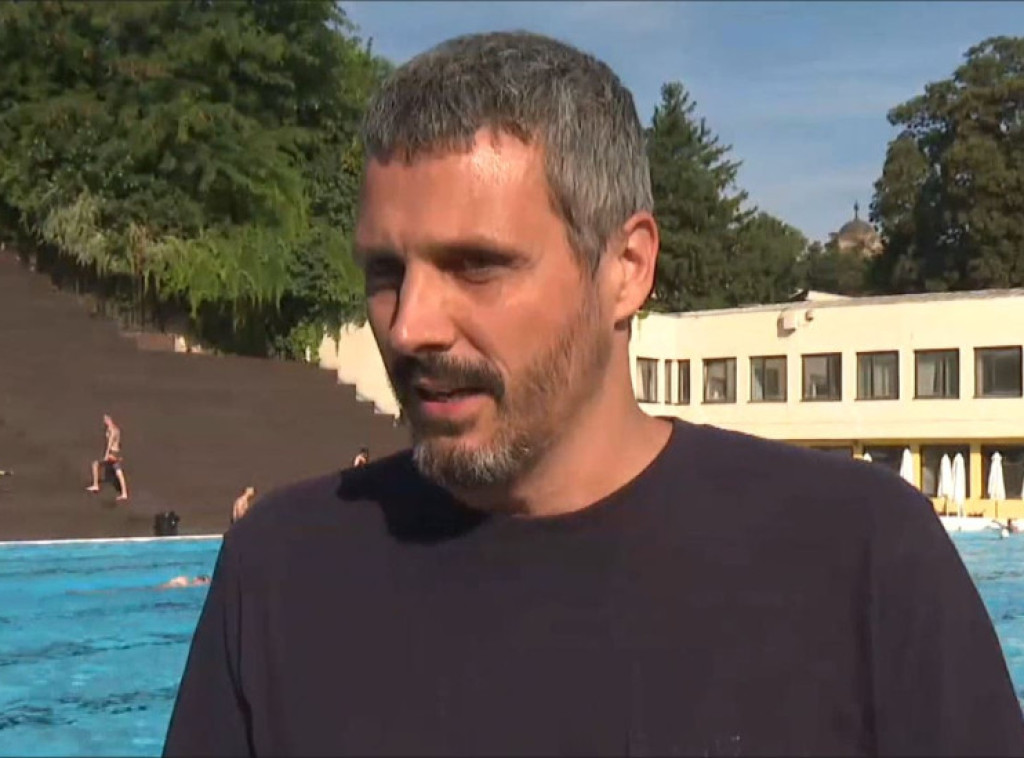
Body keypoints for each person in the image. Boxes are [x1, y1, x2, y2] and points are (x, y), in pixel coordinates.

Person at [164, 32, 1024, 757]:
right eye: (385, 272)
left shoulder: (861, 559)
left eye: (477, 265)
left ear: (626, 268)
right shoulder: (278, 575)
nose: (411, 325)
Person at [86, 413, 129, 502]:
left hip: (111, 453)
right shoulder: (117, 429)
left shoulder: (112, 430)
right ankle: (124, 493)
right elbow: (118, 442)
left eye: (105, 420)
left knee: (95, 464)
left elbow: (110, 443)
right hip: (116, 452)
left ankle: (96, 485)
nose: (104, 421)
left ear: (109, 419)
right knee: (118, 472)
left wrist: (106, 455)